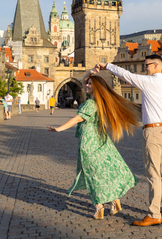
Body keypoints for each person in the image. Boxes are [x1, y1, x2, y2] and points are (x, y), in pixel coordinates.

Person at [96, 54, 162, 226]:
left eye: (147, 65)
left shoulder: (149, 82)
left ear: (156, 65)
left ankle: (155, 214)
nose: (145, 68)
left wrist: (107, 66)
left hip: (153, 132)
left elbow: (126, 75)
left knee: (153, 172)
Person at [47, 68, 140, 219]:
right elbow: (83, 81)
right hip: (101, 141)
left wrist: (59, 129)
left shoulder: (90, 104)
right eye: (87, 83)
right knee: (103, 172)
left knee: (93, 176)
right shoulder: (99, 102)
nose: (86, 85)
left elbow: (77, 119)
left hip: (89, 143)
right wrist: (90, 72)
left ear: (96, 87)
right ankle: (114, 201)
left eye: (90, 84)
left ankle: (99, 207)